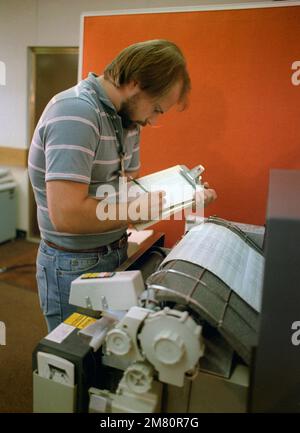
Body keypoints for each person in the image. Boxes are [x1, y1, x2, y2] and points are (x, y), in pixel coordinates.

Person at [28, 39, 217, 332]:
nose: (152, 121)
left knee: (110, 353)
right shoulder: (77, 112)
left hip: (115, 250)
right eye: (156, 109)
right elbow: (66, 215)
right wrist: (134, 210)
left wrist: (182, 195)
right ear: (135, 83)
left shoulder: (126, 119)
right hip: (73, 264)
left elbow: (125, 189)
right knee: (75, 361)